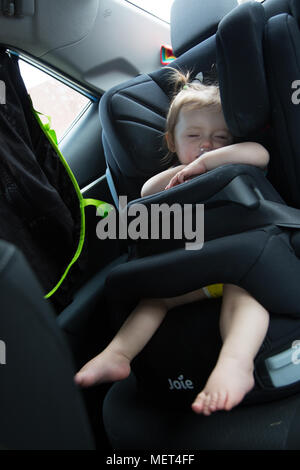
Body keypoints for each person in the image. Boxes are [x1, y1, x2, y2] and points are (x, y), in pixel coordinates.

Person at [75, 70, 270, 416]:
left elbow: (260, 154)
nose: (207, 144)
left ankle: (235, 364)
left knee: (245, 299)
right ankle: (117, 354)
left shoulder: (236, 160)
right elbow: (148, 193)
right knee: (154, 302)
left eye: (220, 136)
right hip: (195, 276)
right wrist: (187, 171)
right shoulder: (170, 181)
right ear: (172, 142)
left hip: (243, 269)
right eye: (194, 136)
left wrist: (210, 161)